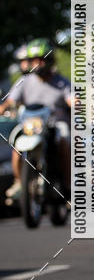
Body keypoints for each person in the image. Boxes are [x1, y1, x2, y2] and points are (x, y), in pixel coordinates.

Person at [0, 39, 71, 199]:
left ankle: (68, 186)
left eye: (41, 59)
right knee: (16, 148)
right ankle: (19, 182)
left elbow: (72, 98)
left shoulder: (62, 82)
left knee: (64, 143)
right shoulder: (24, 81)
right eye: (34, 60)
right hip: (31, 125)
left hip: (55, 124)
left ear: (49, 60)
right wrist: (4, 107)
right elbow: (11, 101)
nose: (38, 64)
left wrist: (76, 103)